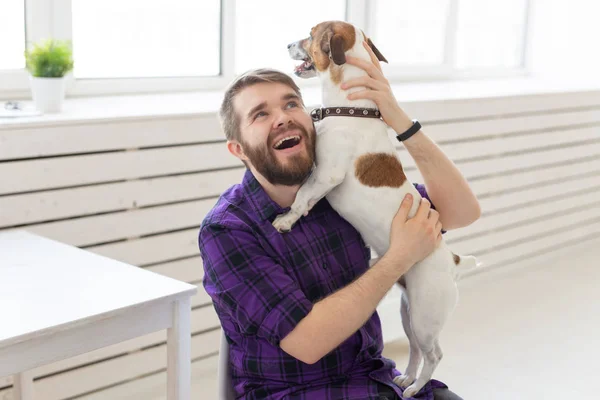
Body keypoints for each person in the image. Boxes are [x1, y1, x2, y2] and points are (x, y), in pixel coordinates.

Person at [198, 45, 481, 400]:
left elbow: (462, 212)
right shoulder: (228, 230)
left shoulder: (340, 187)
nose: (283, 118)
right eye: (260, 114)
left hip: (373, 379)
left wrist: (399, 121)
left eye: (291, 104)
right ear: (238, 149)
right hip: (295, 393)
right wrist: (399, 258)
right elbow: (308, 342)